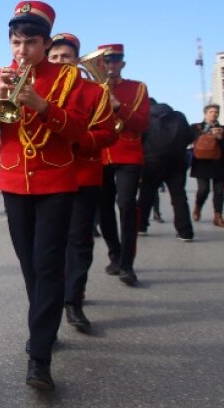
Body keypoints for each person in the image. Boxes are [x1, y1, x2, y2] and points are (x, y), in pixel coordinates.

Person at [0, 1, 94, 391]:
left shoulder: (71, 80)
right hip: (13, 183)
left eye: (30, 42)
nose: (21, 50)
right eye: (15, 41)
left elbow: (79, 131)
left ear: (46, 43)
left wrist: (43, 107)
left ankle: (39, 357)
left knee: (47, 265)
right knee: (29, 266)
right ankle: (46, 322)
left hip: (56, 183)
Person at [47, 33, 118, 334]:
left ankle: (74, 299)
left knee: (79, 241)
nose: (60, 62)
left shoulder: (93, 91)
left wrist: (76, 141)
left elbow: (108, 135)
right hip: (48, 177)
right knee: (50, 245)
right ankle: (52, 300)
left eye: (66, 57)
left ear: (76, 61)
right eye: (54, 57)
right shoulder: (39, 89)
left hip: (83, 175)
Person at [96, 43, 150, 287]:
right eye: (106, 61)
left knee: (127, 206)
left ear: (123, 63)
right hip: (99, 154)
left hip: (127, 153)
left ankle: (128, 264)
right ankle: (115, 254)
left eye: (115, 61)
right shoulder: (93, 89)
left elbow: (141, 124)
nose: (110, 66)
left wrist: (119, 107)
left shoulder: (137, 88)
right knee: (103, 209)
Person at [135, 99, 195, 239]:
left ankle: (140, 226)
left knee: (146, 195)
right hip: (177, 162)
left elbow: (139, 140)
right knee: (179, 196)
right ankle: (185, 231)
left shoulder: (144, 118)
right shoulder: (179, 116)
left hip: (152, 162)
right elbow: (189, 137)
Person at [190, 104, 224, 227]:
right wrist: (203, 136)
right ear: (205, 113)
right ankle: (198, 206)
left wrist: (220, 138)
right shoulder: (196, 127)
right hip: (201, 162)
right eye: (211, 112)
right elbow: (188, 140)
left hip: (218, 163)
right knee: (203, 189)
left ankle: (218, 216)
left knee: (219, 191)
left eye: (216, 112)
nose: (214, 114)